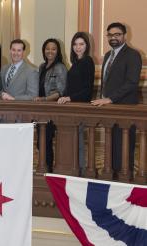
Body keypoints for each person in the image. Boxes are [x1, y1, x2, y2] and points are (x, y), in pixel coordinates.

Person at [91, 22, 142, 180]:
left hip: (124, 109)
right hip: (109, 109)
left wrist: (110, 99)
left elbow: (131, 82)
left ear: (124, 36)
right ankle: (112, 177)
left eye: (117, 34)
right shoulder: (107, 55)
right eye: (110, 35)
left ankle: (125, 180)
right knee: (111, 146)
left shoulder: (133, 55)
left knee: (124, 148)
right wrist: (102, 98)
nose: (113, 38)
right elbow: (106, 81)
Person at [57, 32, 95, 176]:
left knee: (78, 142)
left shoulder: (87, 61)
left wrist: (69, 98)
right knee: (72, 141)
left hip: (79, 108)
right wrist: (64, 97)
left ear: (87, 46)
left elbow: (87, 91)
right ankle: (73, 170)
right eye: (75, 44)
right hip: (71, 107)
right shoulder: (76, 63)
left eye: (81, 44)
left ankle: (80, 172)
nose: (78, 47)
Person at [34, 38, 67, 173]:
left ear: (58, 51)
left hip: (51, 110)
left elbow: (61, 91)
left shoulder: (60, 67)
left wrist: (45, 99)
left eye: (53, 49)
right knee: (40, 142)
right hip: (40, 110)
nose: (50, 51)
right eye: (47, 48)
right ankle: (44, 167)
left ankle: (48, 170)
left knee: (46, 141)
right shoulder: (42, 66)